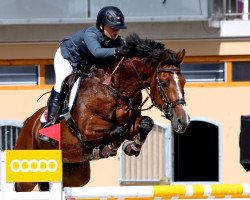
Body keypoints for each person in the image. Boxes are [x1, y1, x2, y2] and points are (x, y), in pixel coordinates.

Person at [42, 6, 127, 132]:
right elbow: (97, 52)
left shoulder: (117, 41)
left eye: (118, 28)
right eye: (113, 27)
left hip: (85, 64)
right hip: (68, 58)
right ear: (102, 25)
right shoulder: (91, 34)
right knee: (61, 84)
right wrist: (118, 50)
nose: (116, 31)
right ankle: (49, 123)